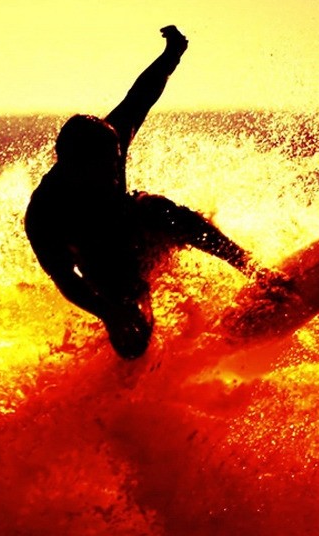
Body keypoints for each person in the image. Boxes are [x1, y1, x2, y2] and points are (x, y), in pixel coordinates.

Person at [25, 25, 268, 358]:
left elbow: (141, 94)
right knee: (132, 341)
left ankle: (254, 271)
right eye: (104, 168)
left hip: (134, 225)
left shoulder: (109, 137)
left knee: (155, 208)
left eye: (116, 162)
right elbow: (66, 278)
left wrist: (172, 55)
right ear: (73, 165)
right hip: (103, 264)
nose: (114, 172)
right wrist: (110, 312)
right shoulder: (45, 213)